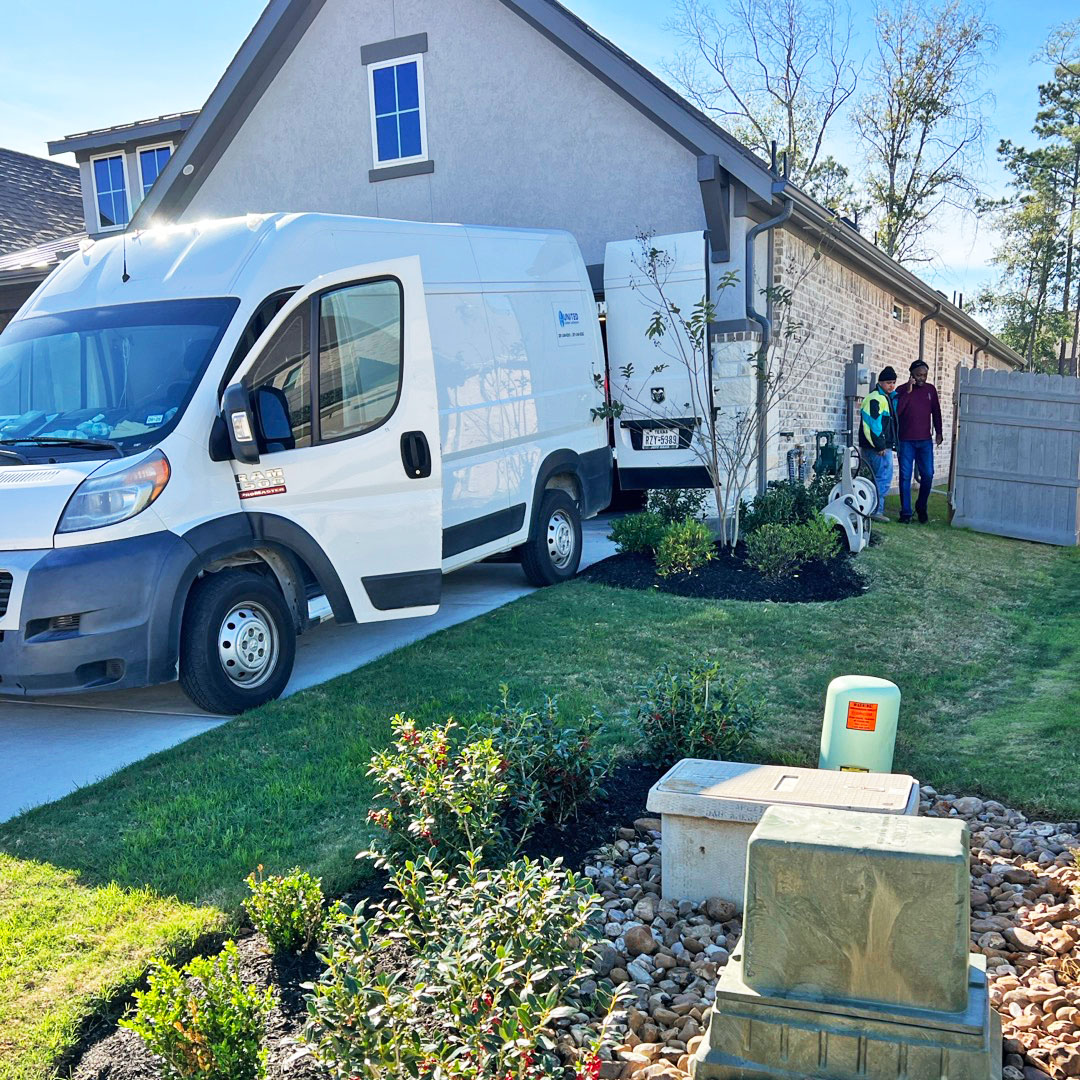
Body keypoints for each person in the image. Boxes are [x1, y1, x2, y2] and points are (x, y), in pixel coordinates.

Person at [895, 359, 943, 524]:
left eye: (924, 375)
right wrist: (908, 392)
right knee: (905, 477)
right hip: (906, 441)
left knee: (928, 475)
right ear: (911, 375)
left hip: (924, 441)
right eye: (919, 375)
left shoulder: (930, 390)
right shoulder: (901, 390)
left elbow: (936, 411)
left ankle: (921, 506)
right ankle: (906, 513)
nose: (922, 378)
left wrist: (939, 432)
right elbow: (897, 412)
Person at [858, 365, 898, 523]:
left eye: (893, 382)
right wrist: (880, 445)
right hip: (877, 448)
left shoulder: (882, 398)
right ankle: (876, 510)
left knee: (872, 479)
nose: (891, 385)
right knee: (882, 479)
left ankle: (869, 509)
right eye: (888, 382)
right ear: (880, 382)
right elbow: (872, 425)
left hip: (873, 447)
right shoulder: (876, 398)